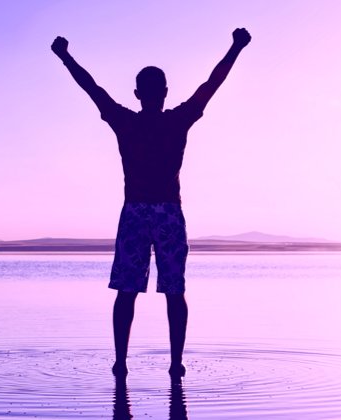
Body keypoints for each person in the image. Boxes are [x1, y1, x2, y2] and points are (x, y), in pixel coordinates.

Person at [51, 28, 252, 378]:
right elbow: (211, 85)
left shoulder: (126, 120)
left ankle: (122, 362)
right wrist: (235, 48)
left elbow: (92, 89)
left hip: (137, 213)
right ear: (164, 93)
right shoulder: (176, 119)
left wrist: (66, 57)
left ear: (138, 94)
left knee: (130, 291)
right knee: (173, 291)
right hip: (167, 213)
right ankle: (174, 363)